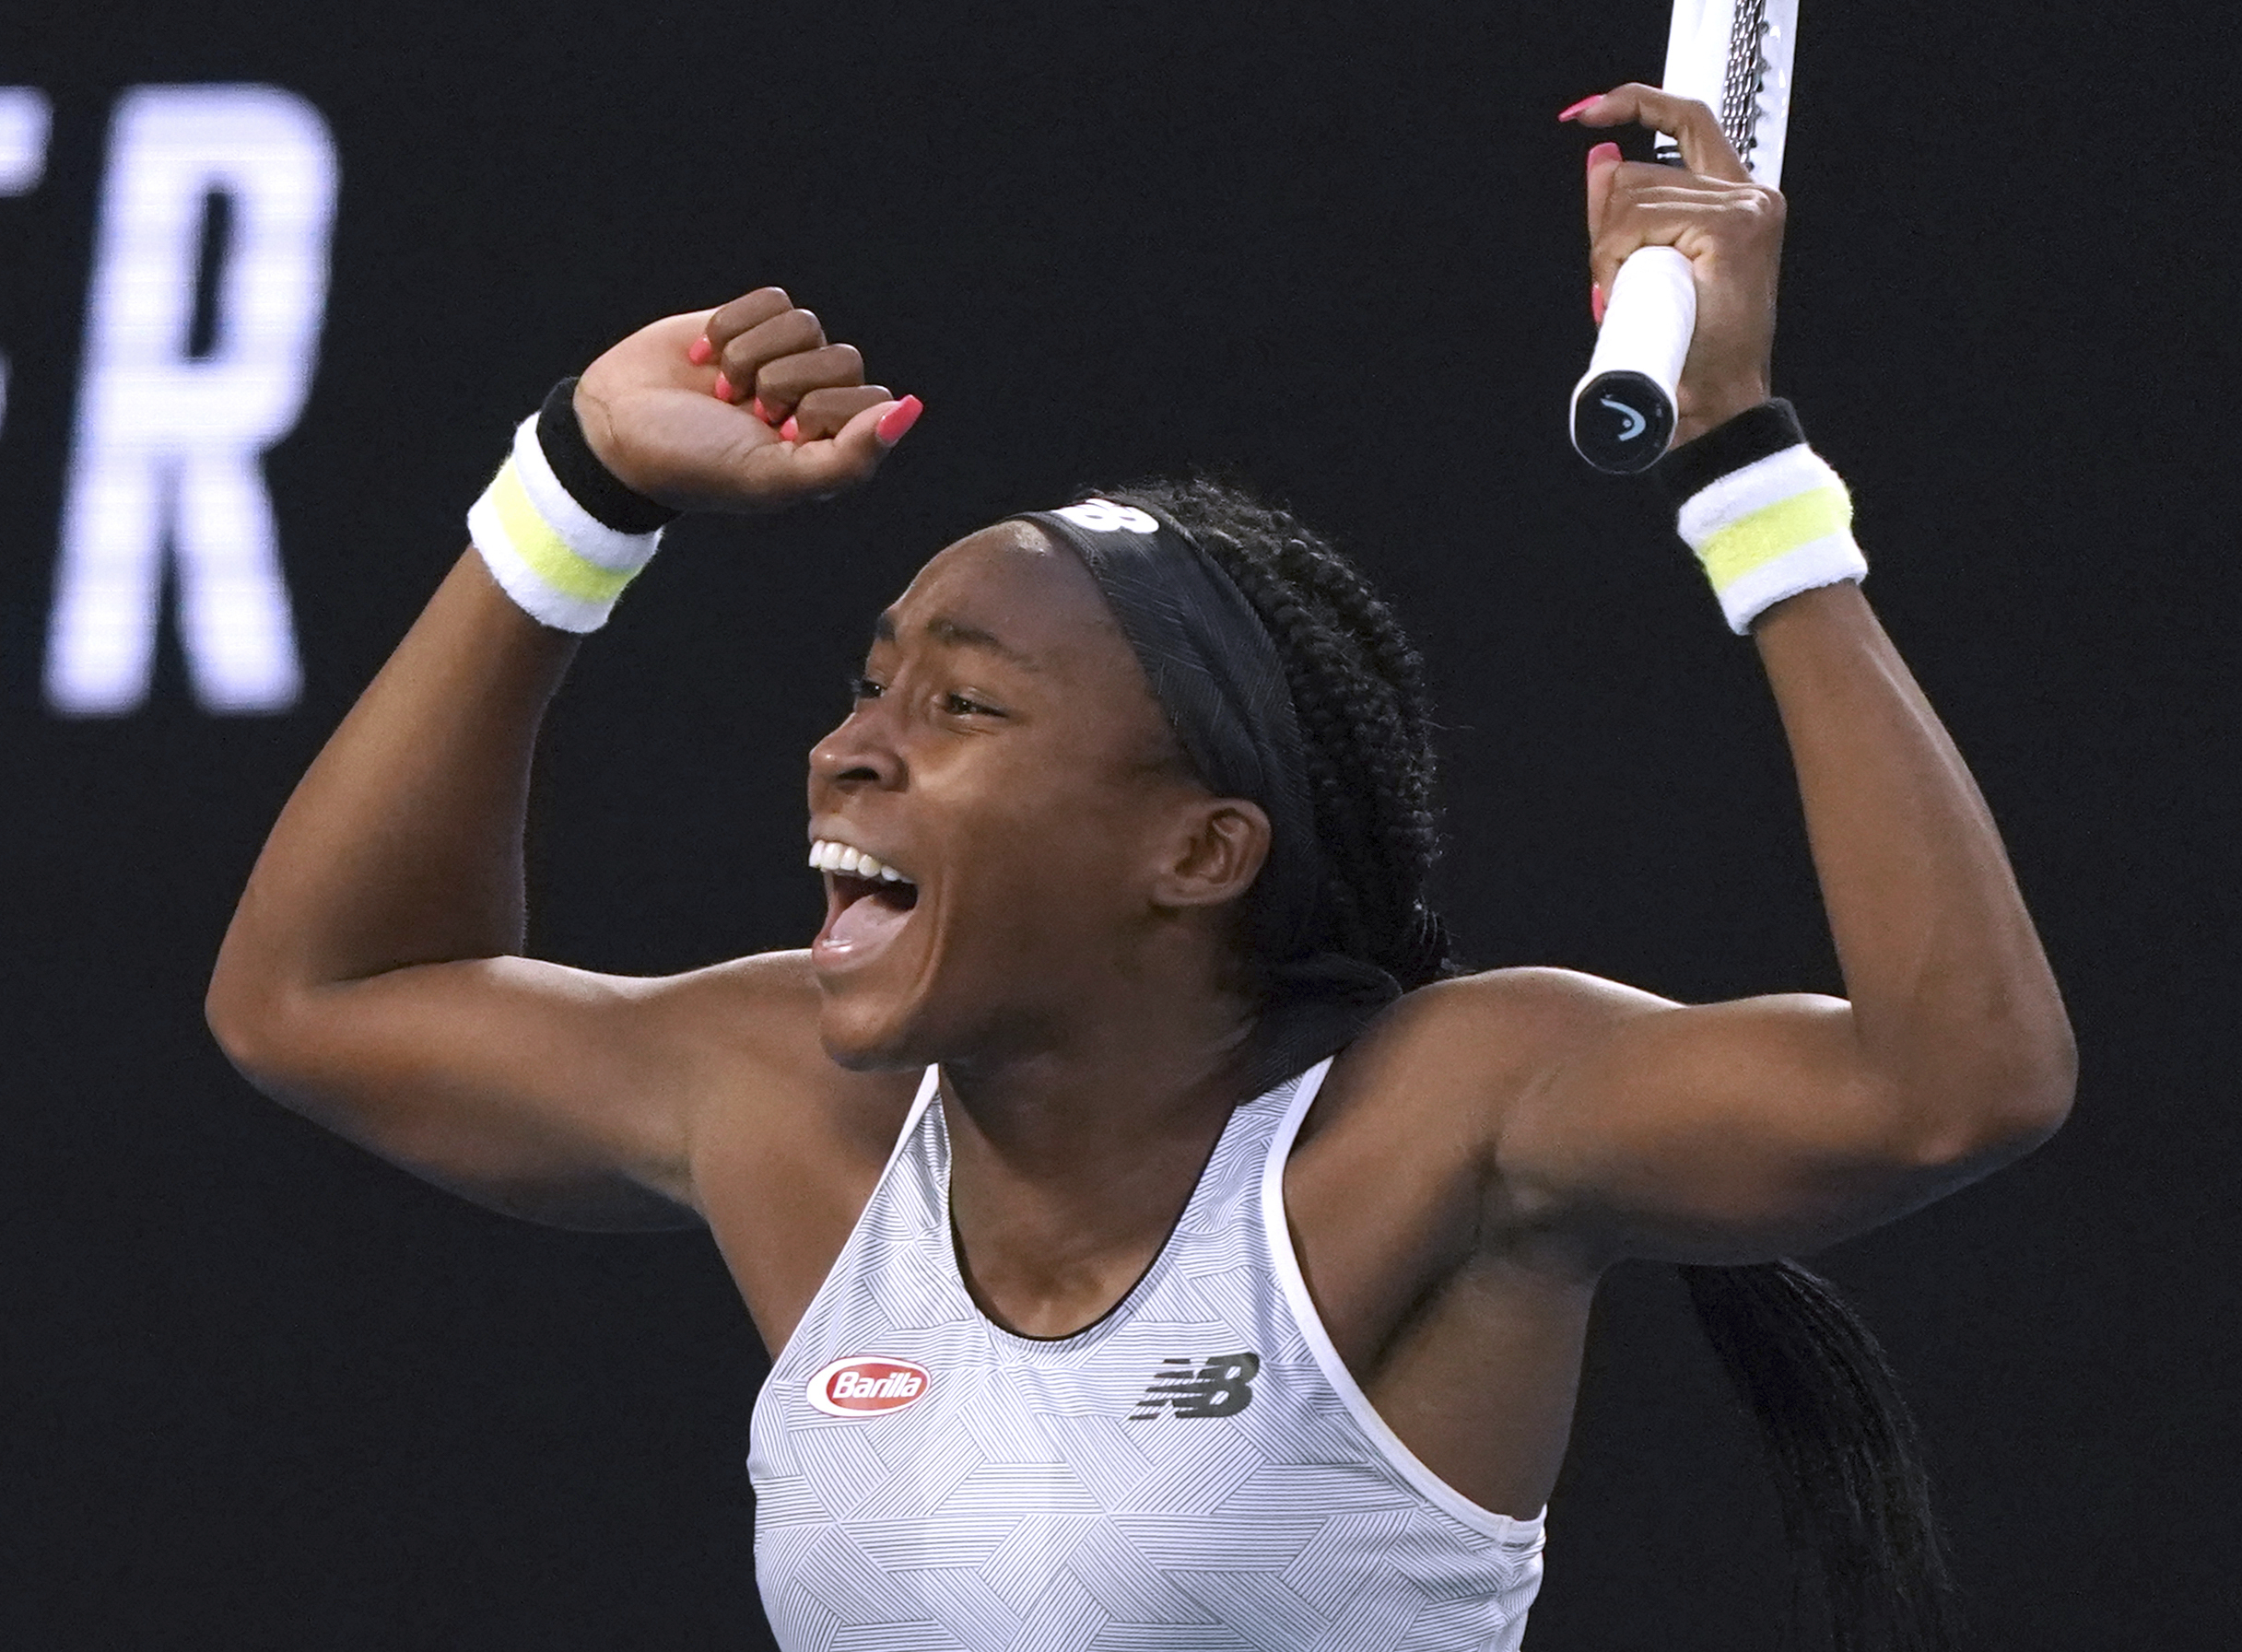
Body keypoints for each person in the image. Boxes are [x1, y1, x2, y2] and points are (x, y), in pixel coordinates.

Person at [206, 87, 2072, 1652]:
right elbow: (316, 1000)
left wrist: (1738, 467)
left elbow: (1952, 1086)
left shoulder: (1449, 1118)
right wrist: (575, 493)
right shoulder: (788, 1107)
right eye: (869, 682)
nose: (851, 743)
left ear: (1195, 851)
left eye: (962, 706)